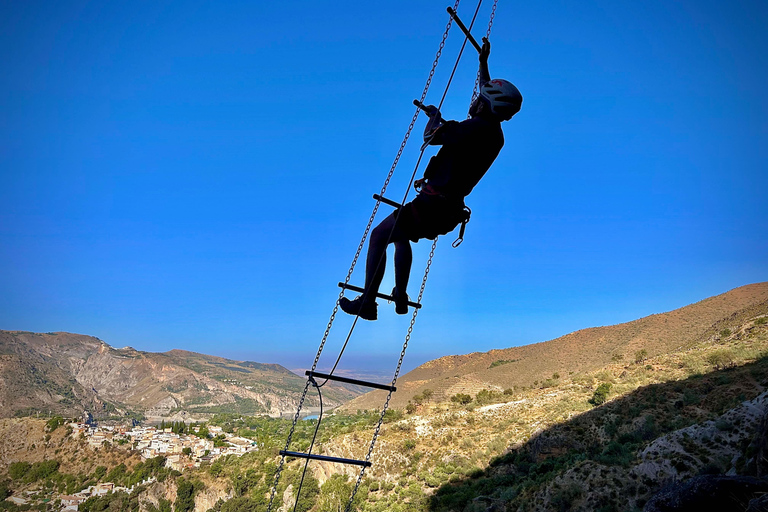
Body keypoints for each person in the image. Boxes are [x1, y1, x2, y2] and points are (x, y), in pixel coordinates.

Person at [340, 37, 522, 321]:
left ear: (485, 105)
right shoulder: (494, 134)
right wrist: (483, 63)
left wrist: (434, 116)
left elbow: (429, 137)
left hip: (432, 205)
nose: (474, 101)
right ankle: (400, 294)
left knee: (378, 236)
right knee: (400, 236)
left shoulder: (475, 128)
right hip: (446, 210)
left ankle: (368, 302)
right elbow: (487, 100)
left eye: (479, 99)